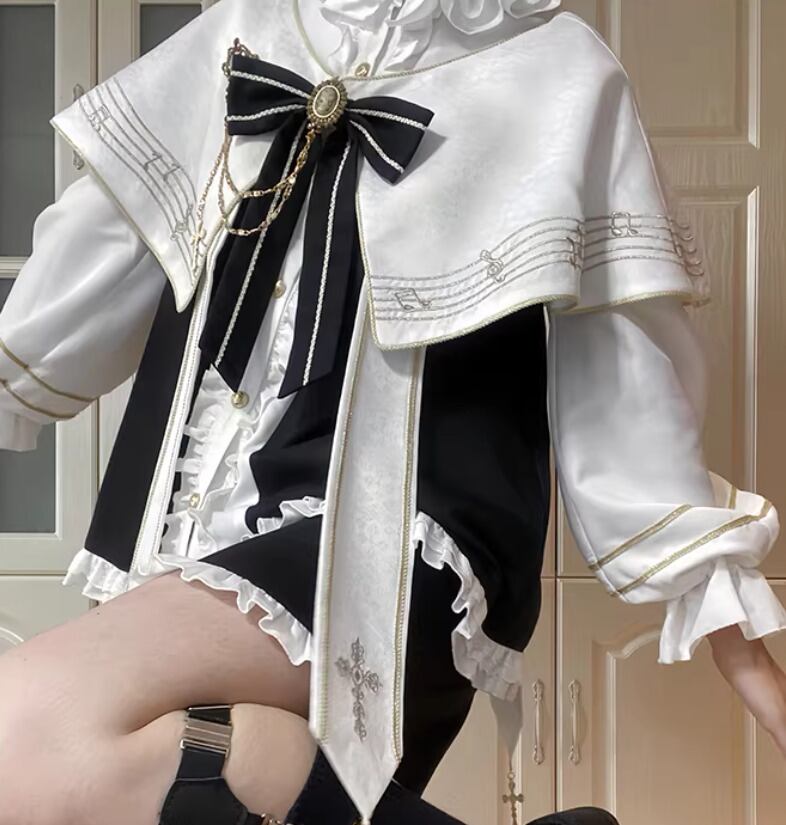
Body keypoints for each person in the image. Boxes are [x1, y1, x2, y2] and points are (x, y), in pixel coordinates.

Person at [1, 1, 785, 823]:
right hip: (186, 529)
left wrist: (728, 622)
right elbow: (92, 267)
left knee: (25, 729)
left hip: (402, 539)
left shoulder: (555, 67)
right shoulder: (247, 24)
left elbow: (620, 370)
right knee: (117, 770)